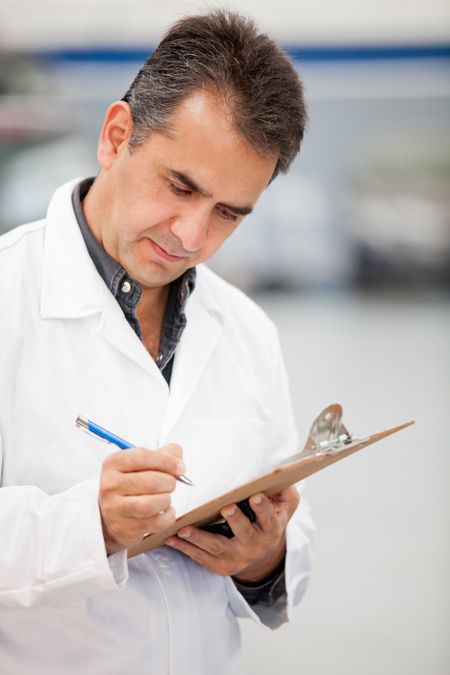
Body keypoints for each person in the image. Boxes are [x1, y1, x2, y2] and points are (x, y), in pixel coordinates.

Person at [0, 10, 315, 675]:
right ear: (117, 137)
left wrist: (263, 557)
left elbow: (293, 543)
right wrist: (90, 524)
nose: (193, 236)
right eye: (181, 186)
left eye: (229, 212)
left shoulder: (248, 331)